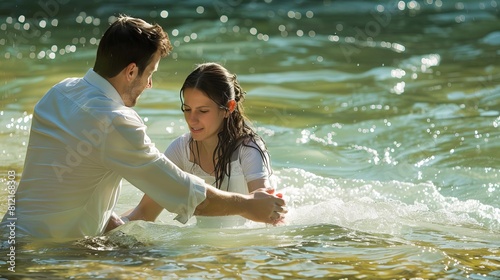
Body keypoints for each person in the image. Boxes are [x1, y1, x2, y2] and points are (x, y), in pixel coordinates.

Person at [0, 15, 286, 239]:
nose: (149, 84)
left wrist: (110, 224)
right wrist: (248, 206)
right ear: (132, 71)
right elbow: (184, 194)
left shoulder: (59, 93)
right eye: (150, 73)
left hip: (11, 237)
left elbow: (63, 185)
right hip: (48, 255)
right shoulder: (115, 120)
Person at [124, 62, 279, 227]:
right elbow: (144, 212)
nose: (192, 119)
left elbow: (266, 206)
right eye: (187, 109)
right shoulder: (181, 149)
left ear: (228, 108)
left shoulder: (248, 148)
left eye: (203, 111)